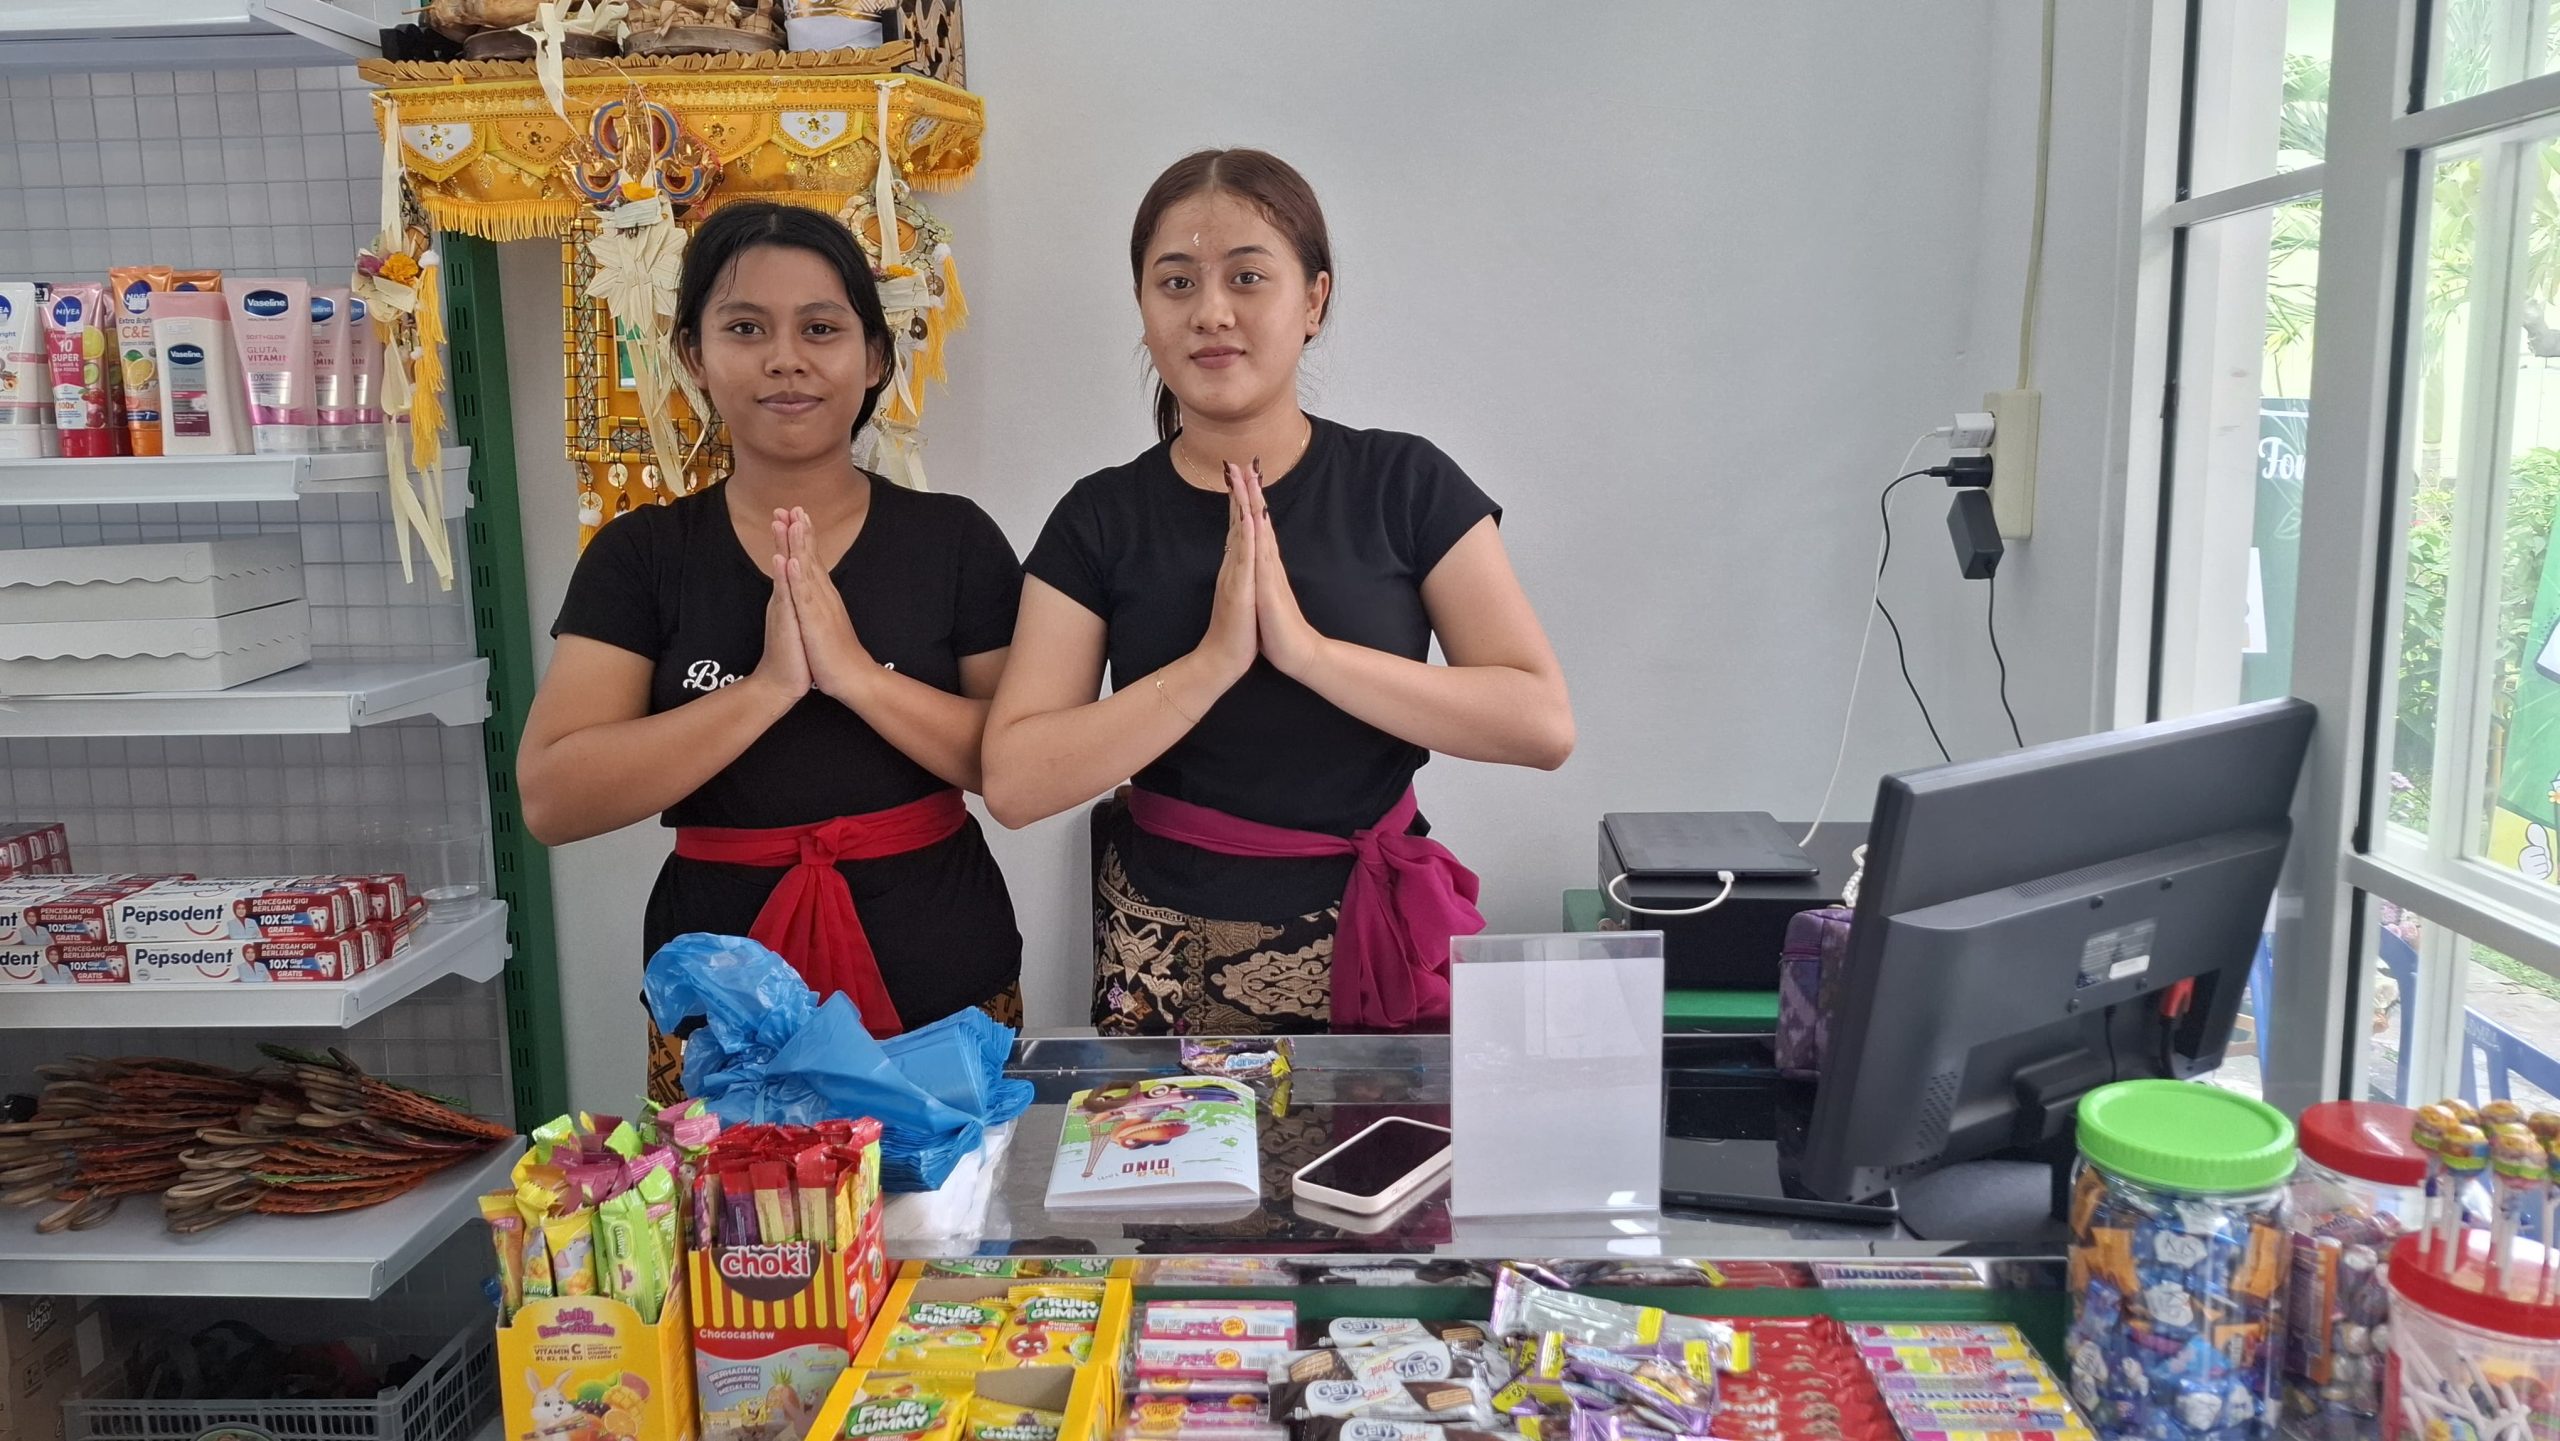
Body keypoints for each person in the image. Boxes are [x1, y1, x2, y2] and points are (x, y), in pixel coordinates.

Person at [984, 149, 1574, 1036]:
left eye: (1247, 277)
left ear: (1314, 301)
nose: (1211, 312)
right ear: (1143, 310)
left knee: (1387, 1137)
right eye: (1176, 282)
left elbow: (1541, 723)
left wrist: (1308, 652)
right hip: (1163, 960)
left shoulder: (1406, 484)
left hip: (1375, 930)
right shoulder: (1099, 517)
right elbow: (1016, 780)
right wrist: (1213, 662)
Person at [520, 201, 1023, 1102]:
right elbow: (552, 797)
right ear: (692, 355)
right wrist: (767, 687)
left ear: (875, 357)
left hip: (945, 988)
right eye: (746, 328)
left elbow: (1023, 769)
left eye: (821, 329)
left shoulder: (955, 540)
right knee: (738, 1204)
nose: (786, 358)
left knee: (955, 1200)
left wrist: (856, 676)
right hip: (718, 1010)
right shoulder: (642, 556)